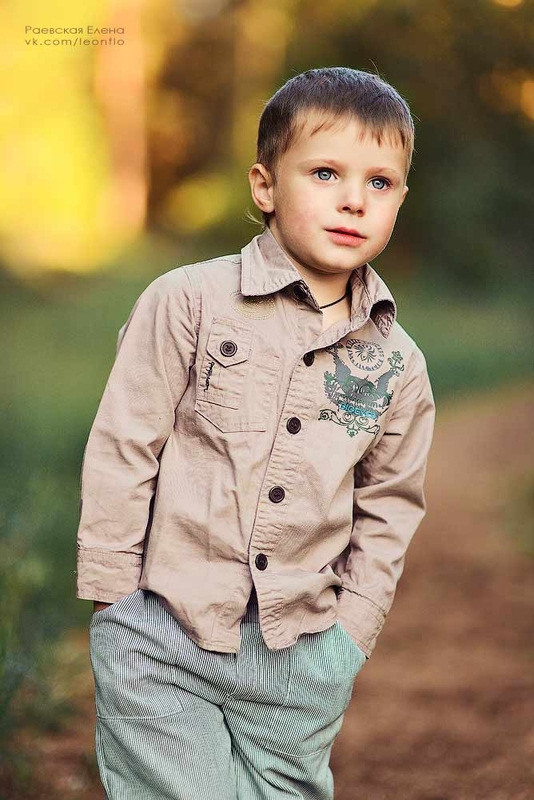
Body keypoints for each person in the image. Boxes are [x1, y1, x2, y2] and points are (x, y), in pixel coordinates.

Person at [76, 66, 436, 799]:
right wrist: (114, 600)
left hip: (302, 657)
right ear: (265, 186)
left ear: (400, 198)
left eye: (379, 182)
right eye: (326, 173)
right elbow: (125, 444)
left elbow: (390, 506)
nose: (353, 200)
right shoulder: (187, 302)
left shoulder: (400, 366)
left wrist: (351, 633)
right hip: (164, 632)